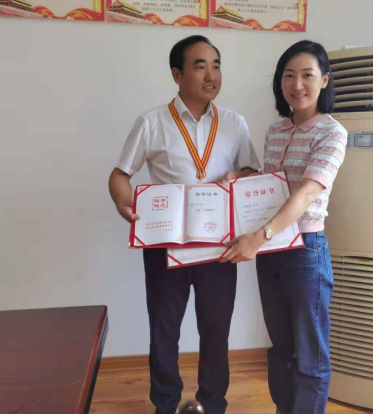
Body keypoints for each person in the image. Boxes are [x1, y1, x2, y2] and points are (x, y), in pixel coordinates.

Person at [109, 35, 260, 414]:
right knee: (164, 329)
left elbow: (251, 172)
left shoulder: (234, 123)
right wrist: (124, 204)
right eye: (200, 66)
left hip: (219, 247)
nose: (211, 75)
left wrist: (237, 176)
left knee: (216, 331)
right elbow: (120, 174)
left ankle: (213, 403)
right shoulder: (152, 122)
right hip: (166, 246)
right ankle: (165, 404)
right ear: (177, 75)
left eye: (216, 65)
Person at [220, 40, 348, 414]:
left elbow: (306, 192)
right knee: (280, 348)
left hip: (305, 250)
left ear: (324, 80)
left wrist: (259, 236)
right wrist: (243, 177)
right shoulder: (276, 131)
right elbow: (273, 185)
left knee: (310, 354)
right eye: (288, 76)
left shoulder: (332, 132)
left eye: (307, 75)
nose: (297, 84)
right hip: (271, 250)